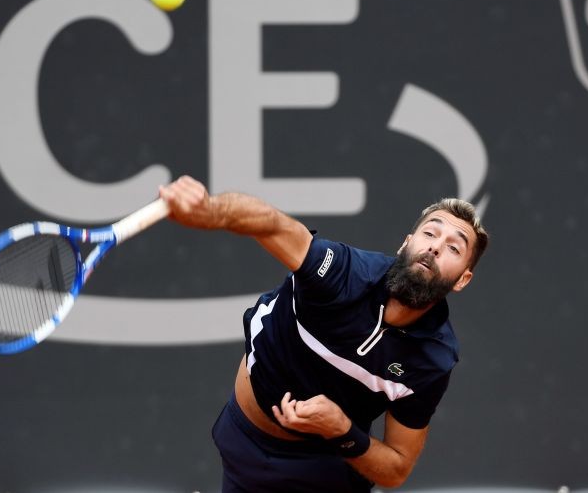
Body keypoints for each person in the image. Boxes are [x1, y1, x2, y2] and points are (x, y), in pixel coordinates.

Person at [158, 175, 489, 492]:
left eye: (454, 248)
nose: (434, 248)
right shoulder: (341, 273)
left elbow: (397, 468)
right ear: (407, 243)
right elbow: (273, 223)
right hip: (248, 444)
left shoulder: (433, 358)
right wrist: (215, 211)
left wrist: (342, 431)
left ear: (463, 279)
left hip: (330, 465)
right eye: (430, 234)